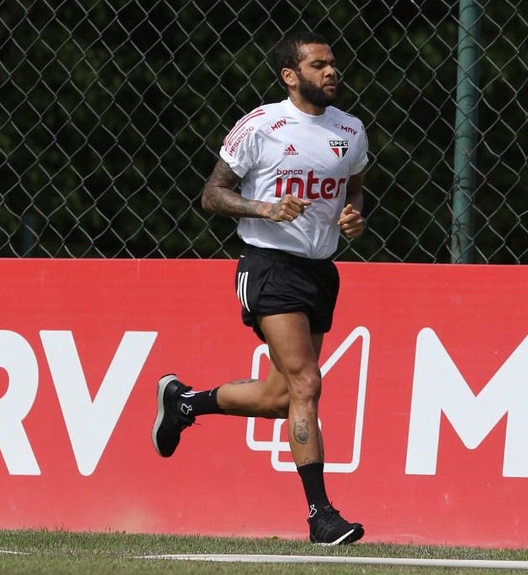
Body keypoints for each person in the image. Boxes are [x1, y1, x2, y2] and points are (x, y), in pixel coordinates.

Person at [152, 30, 368, 545]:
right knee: (307, 385)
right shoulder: (262, 126)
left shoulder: (351, 130)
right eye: (318, 65)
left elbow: (354, 192)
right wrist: (264, 207)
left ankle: (185, 403)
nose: (331, 72)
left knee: (279, 398)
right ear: (290, 76)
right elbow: (211, 194)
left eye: (333, 63)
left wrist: (356, 218)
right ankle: (321, 515)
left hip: (321, 270)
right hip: (268, 264)